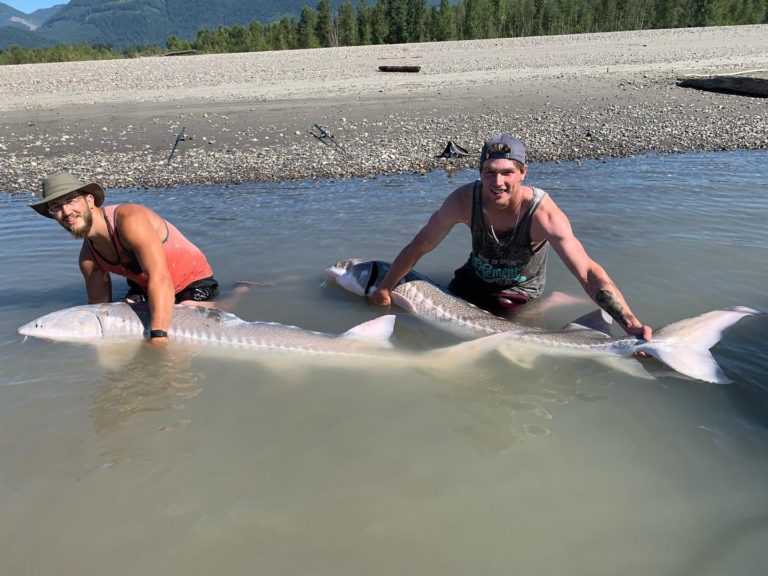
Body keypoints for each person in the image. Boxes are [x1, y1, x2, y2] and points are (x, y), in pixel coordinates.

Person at [371, 134, 652, 341]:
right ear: (480, 173)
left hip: (516, 294)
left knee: (515, 336)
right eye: (489, 173)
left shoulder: (543, 214)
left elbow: (588, 273)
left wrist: (631, 324)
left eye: (507, 172)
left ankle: (551, 301)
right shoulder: (463, 200)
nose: (498, 182)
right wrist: (385, 286)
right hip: (473, 280)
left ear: (522, 172)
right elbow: (421, 244)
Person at [30, 171, 219, 344]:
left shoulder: (130, 220)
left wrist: (158, 335)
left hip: (192, 282)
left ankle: (233, 298)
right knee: (124, 314)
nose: (67, 212)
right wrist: (57, 332)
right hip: (145, 286)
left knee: (186, 310)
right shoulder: (88, 258)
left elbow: (160, 277)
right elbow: (99, 309)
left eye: (71, 201)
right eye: (56, 207)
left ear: (89, 200)